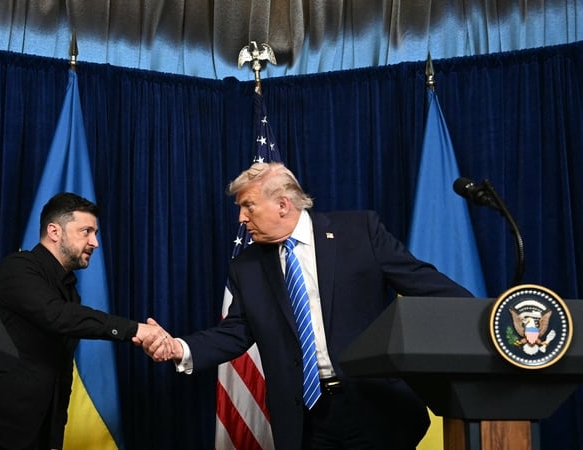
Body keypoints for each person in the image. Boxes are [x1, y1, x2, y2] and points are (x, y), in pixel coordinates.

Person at [142, 162, 473, 450]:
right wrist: (179, 348)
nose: (242, 218)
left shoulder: (359, 232)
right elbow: (236, 332)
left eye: (248, 206)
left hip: (374, 406)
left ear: (283, 204)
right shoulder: (247, 266)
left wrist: (485, 318)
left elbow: (422, 283)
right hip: (306, 419)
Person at [0, 192, 165, 450]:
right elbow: (56, 316)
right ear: (54, 231)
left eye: (95, 233)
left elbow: (59, 372)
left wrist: (53, 439)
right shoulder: (18, 268)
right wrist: (135, 329)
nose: (95, 242)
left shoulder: (69, 291)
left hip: (31, 437)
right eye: (86, 231)